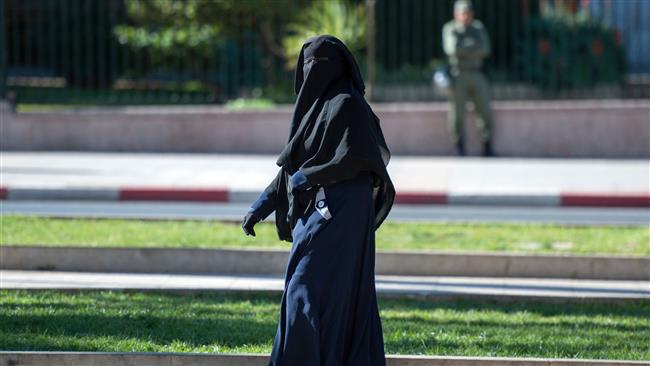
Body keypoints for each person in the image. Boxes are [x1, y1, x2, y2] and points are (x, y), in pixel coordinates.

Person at [241, 35, 395, 366]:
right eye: (308, 64)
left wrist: (308, 177)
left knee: (316, 291)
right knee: (303, 289)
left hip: (345, 214)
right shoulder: (311, 111)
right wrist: (260, 206)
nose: (313, 71)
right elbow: (292, 167)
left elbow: (356, 159)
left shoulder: (349, 105)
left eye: (320, 64)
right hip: (315, 214)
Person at [443, 0, 494, 156]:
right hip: (459, 75)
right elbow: (452, 49)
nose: (466, 16)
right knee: (456, 113)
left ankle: (487, 145)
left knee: (484, 110)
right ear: (456, 14)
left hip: (477, 73)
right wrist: (473, 46)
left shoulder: (478, 27)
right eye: (463, 13)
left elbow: (485, 49)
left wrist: (463, 47)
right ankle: (459, 146)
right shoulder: (450, 28)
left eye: (468, 13)